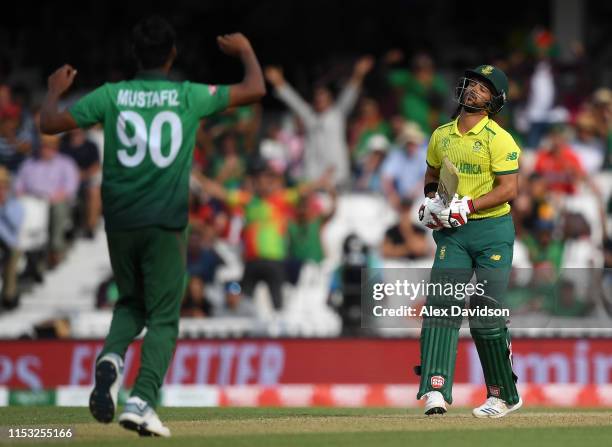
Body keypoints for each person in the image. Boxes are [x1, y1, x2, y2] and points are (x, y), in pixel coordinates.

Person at [39, 16, 265, 436]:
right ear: (172, 55)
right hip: (164, 220)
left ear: (134, 54)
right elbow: (255, 90)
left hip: (120, 219)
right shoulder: (187, 95)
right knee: (163, 316)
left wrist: (54, 91)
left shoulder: (112, 95)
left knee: (130, 303)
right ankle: (141, 399)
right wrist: (247, 49)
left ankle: (110, 359)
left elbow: (49, 124)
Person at [417, 65, 522, 418]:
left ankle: (504, 395)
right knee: (441, 304)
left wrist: (469, 205)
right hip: (454, 235)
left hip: (492, 230)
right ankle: (435, 389)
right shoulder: (441, 135)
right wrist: (434, 202)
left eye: (483, 87)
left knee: (485, 313)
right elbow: (433, 177)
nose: (474, 89)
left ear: (495, 101)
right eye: (472, 83)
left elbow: (509, 190)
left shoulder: (499, 138)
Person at [264, 57, 374, 186]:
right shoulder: (309, 115)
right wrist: (278, 81)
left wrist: (358, 73)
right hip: (312, 176)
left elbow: (350, 93)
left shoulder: (337, 115)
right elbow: (293, 100)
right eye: (317, 98)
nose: (320, 101)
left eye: (323, 97)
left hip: (337, 176)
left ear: (330, 100)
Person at [0, 166, 24, 310]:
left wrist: (4, 206)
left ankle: (9, 296)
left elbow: (14, 225)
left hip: (9, 244)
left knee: (13, 255)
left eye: (2, 186)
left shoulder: (15, 205)